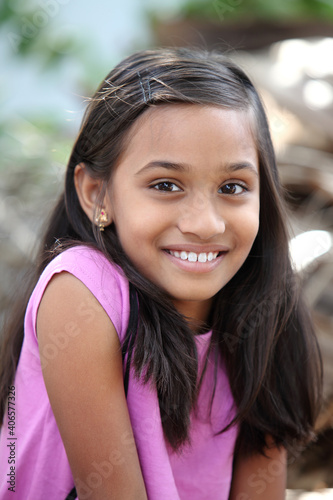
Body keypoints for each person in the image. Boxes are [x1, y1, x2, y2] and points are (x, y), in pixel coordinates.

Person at [0, 47, 322, 499]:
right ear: (97, 195)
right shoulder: (81, 291)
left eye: (232, 187)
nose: (205, 223)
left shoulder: (264, 312)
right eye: (166, 185)